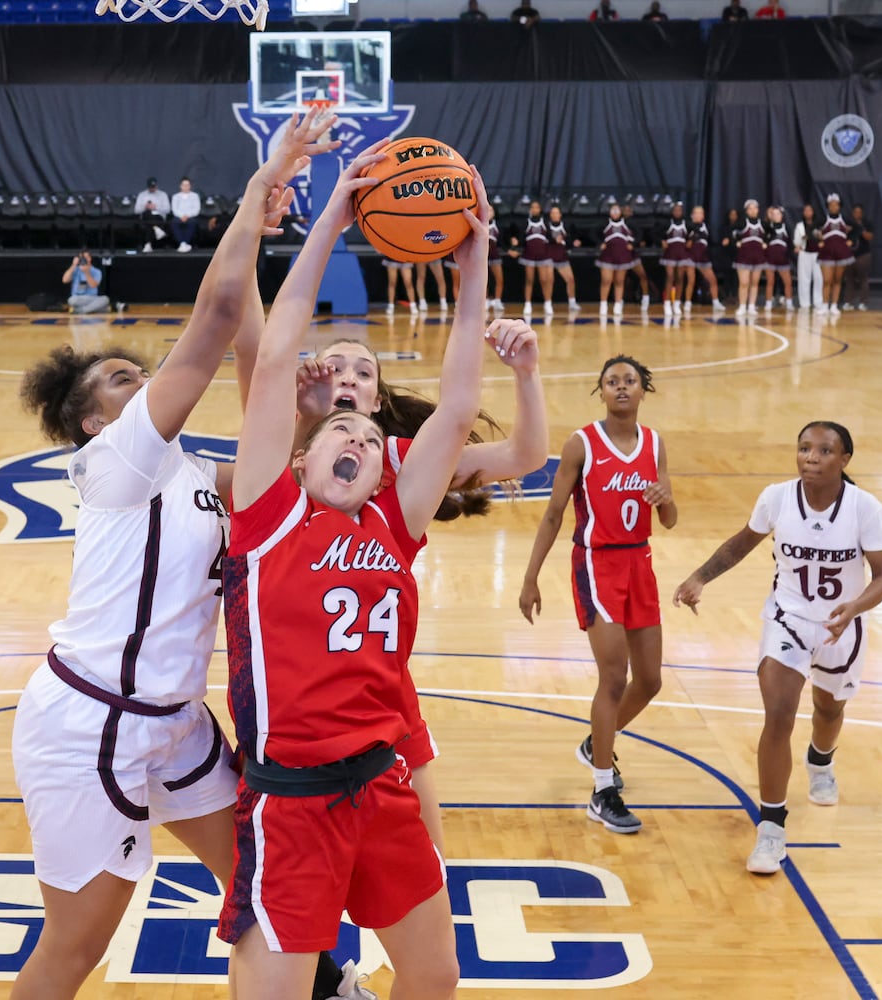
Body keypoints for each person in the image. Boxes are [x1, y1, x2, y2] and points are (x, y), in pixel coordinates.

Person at [8, 111, 345, 1000]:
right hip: (92, 721)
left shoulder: (192, 470)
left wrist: (306, 414)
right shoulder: (116, 460)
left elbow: (276, 464)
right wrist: (260, 191)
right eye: (120, 380)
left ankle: (323, 984)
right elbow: (219, 318)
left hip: (178, 719)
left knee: (258, 877)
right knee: (76, 946)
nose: (141, 381)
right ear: (93, 420)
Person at [219, 140, 489, 1000]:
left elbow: (457, 407)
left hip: (381, 782)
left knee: (435, 976)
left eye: (372, 439)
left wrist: (474, 265)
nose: (359, 438)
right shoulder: (267, 515)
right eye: (341, 430)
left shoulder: (395, 524)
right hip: (292, 799)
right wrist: (333, 217)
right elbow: (274, 356)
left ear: (385, 469)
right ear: (301, 458)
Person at [673, 422, 882, 875]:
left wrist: (853, 608)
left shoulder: (864, 508)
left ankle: (820, 760)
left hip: (841, 625)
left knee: (829, 709)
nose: (811, 457)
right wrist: (699, 577)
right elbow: (742, 543)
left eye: (824, 450)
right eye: (804, 448)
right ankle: (771, 828)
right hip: (786, 619)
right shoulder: (776, 497)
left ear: (844, 460)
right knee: (777, 713)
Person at [519, 355, 676, 836]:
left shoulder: (654, 443)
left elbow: (669, 520)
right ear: (601, 390)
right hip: (597, 564)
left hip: (640, 563)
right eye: (612, 381)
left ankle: (596, 744)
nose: (621, 387)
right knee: (613, 677)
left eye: (630, 380)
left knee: (649, 680)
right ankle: (602, 790)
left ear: (643, 390)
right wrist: (530, 577)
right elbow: (553, 513)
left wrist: (666, 497)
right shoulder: (581, 444)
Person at [596, 202, 636, 320]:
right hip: (608, 256)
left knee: (619, 281)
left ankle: (618, 305)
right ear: (609, 212)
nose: (615, 213)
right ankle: (603, 304)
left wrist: (633, 244)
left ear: (620, 212)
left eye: (617, 210)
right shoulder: (604, 223)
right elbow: (592, 233)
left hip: (622, 256)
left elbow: (638, 234)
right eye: (613, 210)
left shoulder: (626, 223)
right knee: (606, 280)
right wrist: (600, 243)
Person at [728, 199, 768, 317]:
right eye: (750, 208)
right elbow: (730, 232)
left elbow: (771, 233)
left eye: (755, 208)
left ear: (758, 210)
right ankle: (742, 306)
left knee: (755, 283)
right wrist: (736, 242)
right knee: (744, 283)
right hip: (744, 257)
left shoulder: (763, 223)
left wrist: (766, 242)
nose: (753, 210)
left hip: (758, 257)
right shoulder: (742, 223)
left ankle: (751, 306)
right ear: (746, 211)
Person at [816, 194, 854, 316]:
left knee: (837, 280)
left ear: (839, 206)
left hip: (841, 253)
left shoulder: (845, 219)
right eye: (831, 205)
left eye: (836, 205)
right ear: (828, 206)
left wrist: (851, 239)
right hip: (827, 253)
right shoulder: (823, 219)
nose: (833, 207)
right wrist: (818, 238)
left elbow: (858, 228)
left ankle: (834, 305)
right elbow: (812, 229)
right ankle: (824, 306)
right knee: (827, 280)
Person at [540, 205, 581, 313]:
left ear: (560, 215)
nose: (554, 215)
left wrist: (574, 243)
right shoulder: (545, 226)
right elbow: (544, 239)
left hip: (561, 256)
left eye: (556, 213)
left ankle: (572, 302)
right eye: (552, 213)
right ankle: (547, 303)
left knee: (570, 279)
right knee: (549, 280)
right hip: (548, 257)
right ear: (550, 215)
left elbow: (569, 240)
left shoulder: (565, 226)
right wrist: (554, 240)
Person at [518, 198, 550, 317]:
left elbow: (550, 238)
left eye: (537, 207)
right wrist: (515, 244)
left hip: (542, 255)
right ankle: (527, 303)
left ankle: (547, 303)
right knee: (529, 280)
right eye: (532, 207)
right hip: (529, 255)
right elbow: (521, 239)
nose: (535, 209)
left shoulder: (544, 223)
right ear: (530, 210)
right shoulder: (526, 223)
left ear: (540, 209)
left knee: (544, 280)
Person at [658, 201, 690, 318]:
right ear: (672, 211)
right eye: (675, 210)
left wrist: (691, 240)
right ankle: (667, 303)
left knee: (680, 277)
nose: (677, 212)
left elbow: (695, 233)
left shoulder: (686, 223)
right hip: (670, 253)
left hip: (682, 253)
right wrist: (662, 241)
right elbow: (656, 233)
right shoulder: (667, 223)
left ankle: (677, 303)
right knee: (670, 276)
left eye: (679, 210)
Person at [762, 205, 794, 310]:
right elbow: (763, 242)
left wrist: (788, 255)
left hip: (783, 260)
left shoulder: (786, 228)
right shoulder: (767, 228)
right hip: (769, 260)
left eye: (778, 214)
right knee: (770, 282)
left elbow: (790, 244)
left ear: (782, 215)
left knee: (788, 282)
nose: (775, 216)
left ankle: (789, 303)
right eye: (773, 214)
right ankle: (768, 303)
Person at [794, 203, 825, 311]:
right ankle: (804, 303)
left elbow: (824, 237)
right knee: (804, 279)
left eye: (810, 210)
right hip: (805, 253)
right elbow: (797, 241)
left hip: (818, 254)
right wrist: (800, 243)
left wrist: (821, 239)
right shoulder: (800, 226)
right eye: (806, 210)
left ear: (813, 212)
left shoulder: (819, 225)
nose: (808, 213)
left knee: (819, 278)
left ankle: (818, 302)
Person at [844, 204, 874, 311]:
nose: (857, 214)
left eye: (859, 212)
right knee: (849, 279)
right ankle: (848, 302)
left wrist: (860, 229)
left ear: (862, 213)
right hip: (849, 254)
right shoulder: (848, 223)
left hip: (863, 254)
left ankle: (863, 303)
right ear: (852, 213)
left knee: (863, 279)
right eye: (855, 212)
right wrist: (847, 230)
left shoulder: (867, 223)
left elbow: (870, 237)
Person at [61, 249, 109, 314]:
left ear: (90, 258)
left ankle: (80, 310)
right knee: (72, 300)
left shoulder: (96, 271)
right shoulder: (75, 269)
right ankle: (94, 308)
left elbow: (93, 285)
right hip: (77, 298)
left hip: (92, 297)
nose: (83, 260)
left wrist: (86, 272)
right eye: (82, 258)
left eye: (86, 257)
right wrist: (73, 265)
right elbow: (65, 280)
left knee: (105, 299)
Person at [135, 177, 171, 253]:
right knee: (148, 213)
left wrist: (156, 207)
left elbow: (168, 210)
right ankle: (157, 229)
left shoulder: (163, 194)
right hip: (145, 217)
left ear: (157, 186)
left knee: (150, 222)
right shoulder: (142, 195)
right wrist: (145, 207)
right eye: (151, 187)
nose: (152, 189)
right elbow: (136, 210)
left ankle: (148, 244)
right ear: (148, 186)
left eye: (154, 187)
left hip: (159, 217)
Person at [169, 177, 201, 252]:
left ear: (190, 186)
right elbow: (174, 209)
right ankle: (182, 243)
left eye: (187, 185)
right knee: (174, 222)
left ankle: (185, 243)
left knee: (192, 222)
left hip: (191, 217)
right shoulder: (175, 196)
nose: (186, 187)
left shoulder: (195, 196)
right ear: (180, 186)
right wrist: (182, 216)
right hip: (179, 217)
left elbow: (196, 209)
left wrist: (187, 216)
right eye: (184, 185)